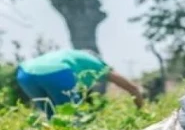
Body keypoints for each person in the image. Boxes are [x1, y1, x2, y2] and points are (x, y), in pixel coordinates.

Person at [15, 49, 145, 117]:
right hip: (58, 72)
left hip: (24, 73)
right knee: (73, 117)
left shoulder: (68, 54)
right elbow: (131, 87)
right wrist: (140, 111)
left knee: (53, 117)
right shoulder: (95, 63)